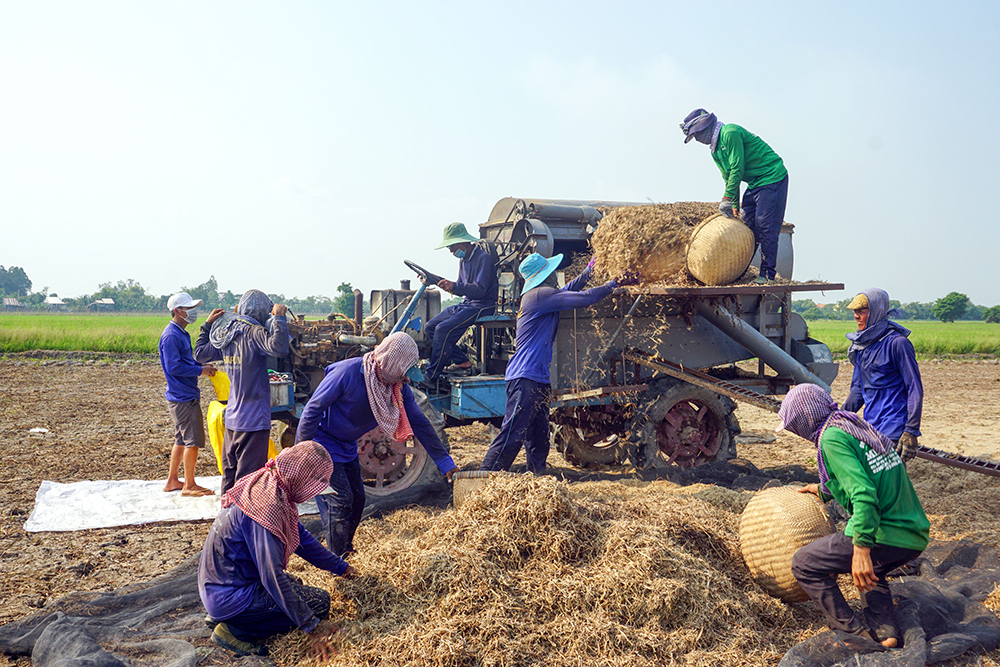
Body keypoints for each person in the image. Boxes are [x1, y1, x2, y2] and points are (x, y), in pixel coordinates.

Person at [777, 383, 929, 648]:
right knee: (873, 572)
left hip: (884, 531)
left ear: (804, 419)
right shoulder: (851, 425)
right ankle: (887, 635)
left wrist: (861, 549)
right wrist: (822, 489)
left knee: (804, 563)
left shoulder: (831, 439)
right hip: (912, 533)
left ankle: (852, 634)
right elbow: (863, 475)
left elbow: (864, 495)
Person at [295, 331, 459, 557]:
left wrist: (444, 461)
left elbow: (420, 423)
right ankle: (337, 562)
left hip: (348, 446)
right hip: (323, 444)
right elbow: (312, 410)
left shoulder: (396, 387)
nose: (407, 378)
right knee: (340, 501)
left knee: (358, 499)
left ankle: (346, 551)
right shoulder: (347, 373)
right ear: (391, 362)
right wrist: (302, 453)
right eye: (404, 372)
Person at [199, 441, 354, 658]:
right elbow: (272, 576)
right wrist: (313, 626)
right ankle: (233, 629)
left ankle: (232, 617)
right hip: (230, 594)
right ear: (300, 477)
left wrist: (342, 568)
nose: (310, 495)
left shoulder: (272, 483)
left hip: (223, 585)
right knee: (319, 602)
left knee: (296, 586)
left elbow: (301, 540)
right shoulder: (266, 507)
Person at [479, 254, 620, 475]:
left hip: (538, 379)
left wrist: (591, 268)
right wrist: (614, 284)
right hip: (525, 378)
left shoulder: (542, 296)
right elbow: (583, 298)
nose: (556, 274)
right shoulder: (538, 296)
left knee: (538, 438)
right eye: (552, 271)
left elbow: (571, 289)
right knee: (512, 434)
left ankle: (536, 479)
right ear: (545, 275)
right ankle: (485, 478)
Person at [195, 290, 290, 494]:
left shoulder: (227, 335)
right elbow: (279, 348)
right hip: (254, 421)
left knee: (230, 474)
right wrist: (280, 318)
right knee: (248, 481)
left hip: (233, 419)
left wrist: (207, 325)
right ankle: (242, 521)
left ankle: (227, 517)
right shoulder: (255, 333)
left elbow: (200, 354)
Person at [680, 108, 789, 284]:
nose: (697, 140)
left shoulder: (730, 133)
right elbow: (729, 175)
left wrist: (726, 199)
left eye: (696, 135)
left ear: (704, 127)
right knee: (747, 225)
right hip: (754, 183)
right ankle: (741, 271)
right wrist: (734, 204)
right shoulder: (715, 151)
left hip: (771, 177)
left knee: (764, 225)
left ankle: (768, 274)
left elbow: (738, 167)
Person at [843, 288, 923, 463]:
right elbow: (857, 392)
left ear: (877, 311)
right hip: (871, 427)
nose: (857, 316)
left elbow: (914, 388)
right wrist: (837, 418)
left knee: (888, 483)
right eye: (855, 312)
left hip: (894, 427)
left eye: (862, 311)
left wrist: (911, 430)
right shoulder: (861, 346)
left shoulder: (897, 344)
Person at [422, 222, 497, 382]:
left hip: (482, 306)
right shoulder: (464, 260)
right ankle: (462, 361)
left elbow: (480, 290)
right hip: (467, 303)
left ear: (463, 242)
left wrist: (454, 286)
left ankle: (431, 376)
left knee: (442, 329)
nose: (450, 251)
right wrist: (438, 281)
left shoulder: (483, 259)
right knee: (430, 327)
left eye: (452, 246)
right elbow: (461, 286)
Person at [159, 292, 217, 497]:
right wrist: (201, 371)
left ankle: (173, 480)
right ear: (177, 311)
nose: (193, 313)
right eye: (189, 309)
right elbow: (174, 367)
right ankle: (189, 485)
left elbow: (185, 362)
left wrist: (201, 365)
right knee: (192, 440)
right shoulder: (172, 336)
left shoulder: (180, 333)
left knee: (181, 439)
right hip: (183, 397)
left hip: (181, 394)